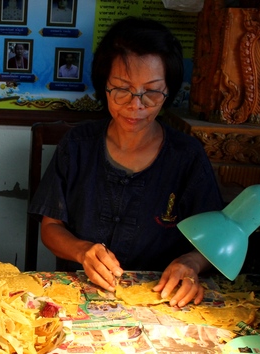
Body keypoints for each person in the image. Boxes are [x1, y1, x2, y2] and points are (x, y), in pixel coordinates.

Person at [29, 17, 223, 308]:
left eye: (152, 91)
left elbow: (215, 241)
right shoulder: (77, 145)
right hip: (80, 295)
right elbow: (51, 227)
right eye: (122, 89)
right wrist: (82, 251)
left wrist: (191, 263)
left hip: (163, 299)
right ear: (103, 85)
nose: (136, 105)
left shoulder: (187, 156)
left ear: (168, 90)